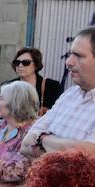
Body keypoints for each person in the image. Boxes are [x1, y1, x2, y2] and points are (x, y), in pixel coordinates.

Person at [21, 28, 95, 160]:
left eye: (78, 56)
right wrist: (64, 152)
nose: (68, 62)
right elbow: (26, 144)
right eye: (70, 54)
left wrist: (42, 138)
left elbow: (86, 156)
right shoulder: (69, 95)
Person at [6, 46, 63, 116]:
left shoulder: (52, 87)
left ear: (36, 65)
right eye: (17, 62)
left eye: (26, 62)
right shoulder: (7, 87)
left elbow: (59, 115)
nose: (20, 65)